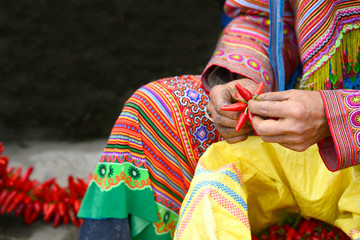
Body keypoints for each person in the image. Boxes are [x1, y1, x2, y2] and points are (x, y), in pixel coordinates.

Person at [78, 0, 360, 239]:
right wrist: (244, 78)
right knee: (155, 111)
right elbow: (259, 16)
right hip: (295, 126)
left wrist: (336, 114)